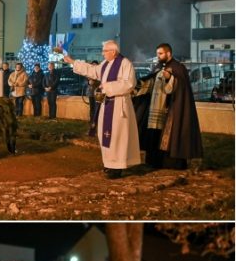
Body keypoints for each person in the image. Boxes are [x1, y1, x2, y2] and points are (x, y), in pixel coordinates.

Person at [65, 41, 141, 179]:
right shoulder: (105, 65)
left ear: (113, 51)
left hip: (119, 105)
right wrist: (72, 61)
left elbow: (129, 84)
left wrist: (106, 87)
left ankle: (117, 166)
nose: (102, 53)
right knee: (105, 134)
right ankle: (109, 163)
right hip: (107, 105)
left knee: (117, 136)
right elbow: (92, 70)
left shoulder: (125, 63)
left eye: (105, 51)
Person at [144, 43, 203, 170]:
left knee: (172, 134)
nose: (158, 56)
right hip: (157, 107)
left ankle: (172, 163)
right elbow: (151, 81)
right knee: (155, 135)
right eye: (157, 54)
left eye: (160, 53)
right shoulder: (158, 67)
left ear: (168, 53)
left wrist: (170, 77)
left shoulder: (178, 67)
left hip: (173, 108)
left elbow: (181, 86)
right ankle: (155, 161)